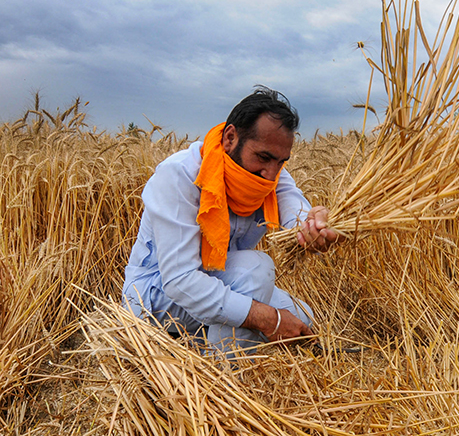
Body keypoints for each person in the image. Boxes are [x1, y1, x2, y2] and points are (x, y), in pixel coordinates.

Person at [122, 87, 340, 353]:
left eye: (280, 162)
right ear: (230, 138)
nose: (270, 175)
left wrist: (313, 226)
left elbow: (293, 207)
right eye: (263, 157)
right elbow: (180, 281)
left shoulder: (268, 176)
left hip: (222, 281)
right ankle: (220, 372)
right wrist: (269, 319)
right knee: (256, 268)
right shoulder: (179, 176)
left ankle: (204, 337)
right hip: (155, 298)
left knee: (303, 319)